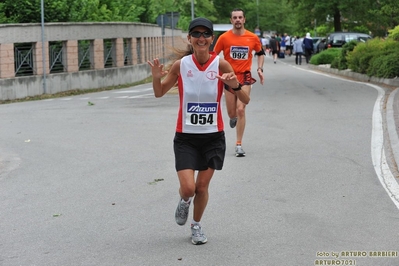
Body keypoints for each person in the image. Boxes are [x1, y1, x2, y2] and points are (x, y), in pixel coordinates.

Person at [147, 17, 250, 245]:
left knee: (201, 187)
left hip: (213, 136)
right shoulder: (181, 65)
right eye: (197, 34)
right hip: (186, 137)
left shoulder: (221, 64)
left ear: (212, 39)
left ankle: (196, 225)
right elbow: (159, 92)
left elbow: (245, 99)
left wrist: (233, 84)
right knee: (188, 188)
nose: (201, 38)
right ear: (190, 39)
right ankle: (184, 201)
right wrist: (156, 78)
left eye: (206, 34)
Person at [213, 8, 265, 157]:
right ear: (231, 20)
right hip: (229, 77)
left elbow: (260, 54)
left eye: (240, 17)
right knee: (232, 113)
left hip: (245, 76)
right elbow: (214, 55)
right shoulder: (223, 38)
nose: (237, 20)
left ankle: (238, 144)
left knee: (241, 108)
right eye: (234, 17)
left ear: (244, 20)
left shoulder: (252, 37)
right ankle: (233, 118)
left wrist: (260, 69)